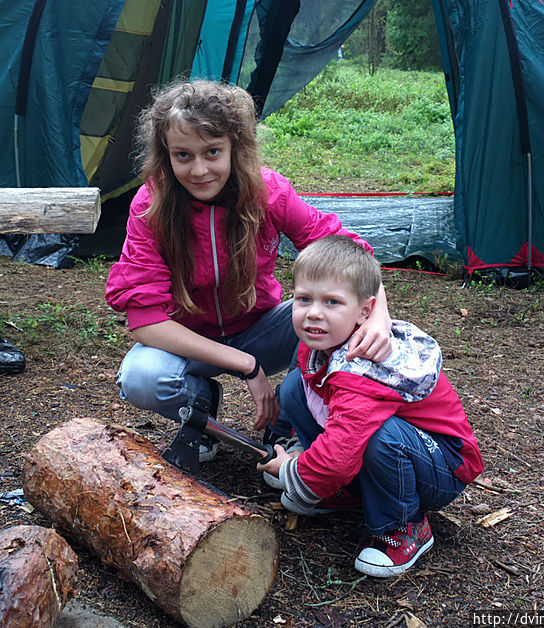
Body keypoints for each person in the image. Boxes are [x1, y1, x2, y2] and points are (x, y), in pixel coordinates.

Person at [105, 80, 392, 457]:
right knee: (142, 377)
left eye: (212, 152)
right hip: (190, 340)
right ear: (166, 155)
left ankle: (292, 423)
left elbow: (349, 252)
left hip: (264, 328)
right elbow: (146, 321)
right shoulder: (152, 205)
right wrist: (248, 366)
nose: (199, 170)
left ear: (234, 148)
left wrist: (379, 316)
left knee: (335, 315)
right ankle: (201, 417)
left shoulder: (267, 192)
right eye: (183, 155)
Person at [258, 235, 484, 578]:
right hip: (401, 449)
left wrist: (294, 470)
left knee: (382, 435)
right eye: (304, 298)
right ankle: (348, 493)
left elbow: (339, 452)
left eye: (332, 302)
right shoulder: (322, 341)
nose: (314, 313)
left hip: (444, 465)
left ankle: (404, 526)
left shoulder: (364, 370)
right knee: (294, 387)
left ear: (366, 310)